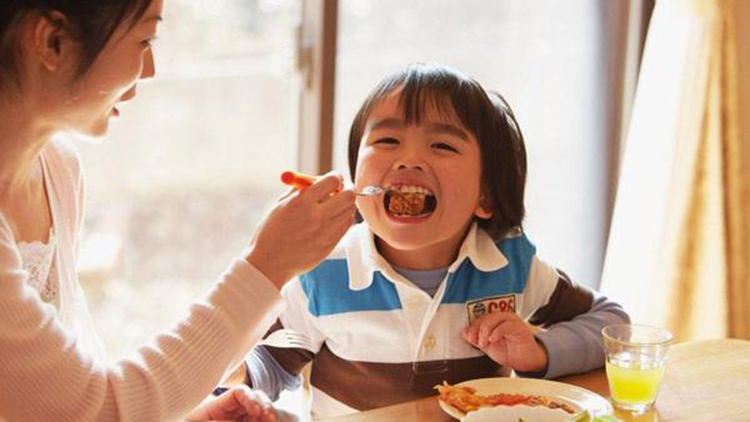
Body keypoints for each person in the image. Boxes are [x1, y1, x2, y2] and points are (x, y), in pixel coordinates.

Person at [0, 1, 356, 421]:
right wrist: (267, 265)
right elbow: (97, 409)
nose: (149, 68)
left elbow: (64, 391)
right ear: (51, 42)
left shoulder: (57, 168)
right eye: (144, 39)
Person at [228, 63, 631, 420]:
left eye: (442, 145)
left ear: (485, 196)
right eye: (387, 141)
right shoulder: (323, 272)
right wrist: (241, 392)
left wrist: (540, 352)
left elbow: (612, 324)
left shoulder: (510, 265)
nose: (409, 160)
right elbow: (268, 365)